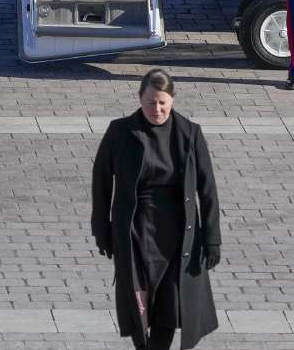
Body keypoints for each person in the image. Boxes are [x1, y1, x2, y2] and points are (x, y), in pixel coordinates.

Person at [91, 69, 221, 350]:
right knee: (137, 304)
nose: (157, 109)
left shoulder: (189, 133)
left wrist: (212, 240)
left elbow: (207, 189)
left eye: (162, 102)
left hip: (175, 235)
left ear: (172, 99)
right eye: (151, 102)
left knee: (168, 308)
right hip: (135, 232)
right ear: (140, 98)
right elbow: (100, 182)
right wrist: (102, 229)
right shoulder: (120, 132)